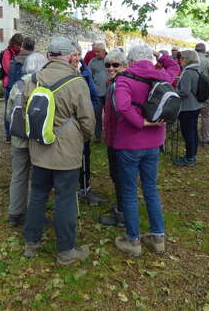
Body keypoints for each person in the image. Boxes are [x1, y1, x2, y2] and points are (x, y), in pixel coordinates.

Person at [22, 37, 95, 266]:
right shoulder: (77, 82)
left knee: (38, 195)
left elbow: (27, 109)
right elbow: (87, 120)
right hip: (66, 151)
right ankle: (66, 251)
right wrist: (84, 138)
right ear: (70, 56)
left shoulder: (33, 79)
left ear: (49, 55)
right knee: (65, 199)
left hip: (38, 147)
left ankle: (31, 244)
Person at [113, 45, 180, 257]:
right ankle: (158, 237)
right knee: (151, 188)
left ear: (130, 61)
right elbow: (175, 66)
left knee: (130, 191)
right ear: (149, 59)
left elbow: (123, 106)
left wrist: (140, 122)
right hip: (154, 142)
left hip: (130, 142)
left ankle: (133, 240)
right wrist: (160, 55)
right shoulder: (162, 75)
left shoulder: (124, 78)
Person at [6, 52, 48, 227]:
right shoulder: (44, 85)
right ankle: (34, 212)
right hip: (37, 138)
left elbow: (9, 113)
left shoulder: (18, 85)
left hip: (19, 136)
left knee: (19, 174)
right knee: (38, 177)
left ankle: (15, 212)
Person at [99, 49, 129, 227]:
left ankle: (123, 216)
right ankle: (122, 210)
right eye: (108, 65)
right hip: (113, 137)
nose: (111, 68)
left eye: (115, 65)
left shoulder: (121, 85)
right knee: (117, 175)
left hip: (120, 140)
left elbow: (124, 113)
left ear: (125, 66)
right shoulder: (112, 83)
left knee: (121, 176)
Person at [77, 55, 101, 205]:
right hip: (67, 125)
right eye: (73, 55)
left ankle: (85, 187)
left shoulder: (85, 72)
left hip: (83, 121)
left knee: (85, 155)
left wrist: (88, 114)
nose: (77, 58)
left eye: (78, 55)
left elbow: (94, 96)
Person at [173, 50, 203, 167]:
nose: (180, 60)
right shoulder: (197, 69)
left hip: (187, 107)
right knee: (193, 132)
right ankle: (192, 155)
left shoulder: (187, 72)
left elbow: (184, 92)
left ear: (187, 59)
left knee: (188, 133)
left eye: (182, 58)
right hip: (196, 105)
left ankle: (189, 157)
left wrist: (173, 92)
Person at [2, 33, 23, 142]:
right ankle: (8, 132)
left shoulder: (21, 53)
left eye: (20, 45)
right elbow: (7, 69)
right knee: (8, 109)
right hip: (9, 85)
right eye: (17, 45)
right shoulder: (7, 53)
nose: (19, 47)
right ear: (13, 43)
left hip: (20, 85)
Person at [88, 42, 109, 142]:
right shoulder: (92, 62)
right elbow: (89, 76)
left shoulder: (110, 60)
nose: (95, 53)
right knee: (97, 115)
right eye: (94, 51)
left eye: (97, 51)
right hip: (98, 94)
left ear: (103, 51)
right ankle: (97, 135)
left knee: (109, 115)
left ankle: (109, 135)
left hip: (109, 93)